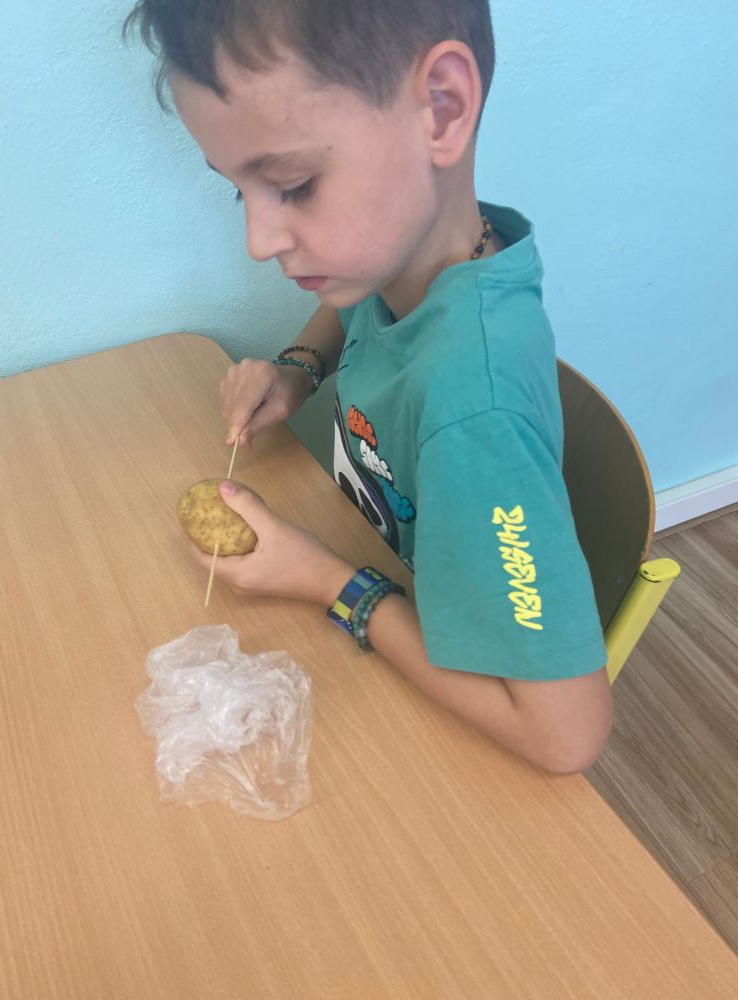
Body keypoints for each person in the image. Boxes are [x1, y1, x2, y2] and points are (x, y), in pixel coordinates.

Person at [124, 0, 613, 773]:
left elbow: (566, 735)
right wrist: (298, 369)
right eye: (239, 191)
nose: (259, 241)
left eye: (293, 184)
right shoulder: (422, 250)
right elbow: (357, 298)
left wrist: (325, 580)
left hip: (424, 673)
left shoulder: (472, 410)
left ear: (441, 108)